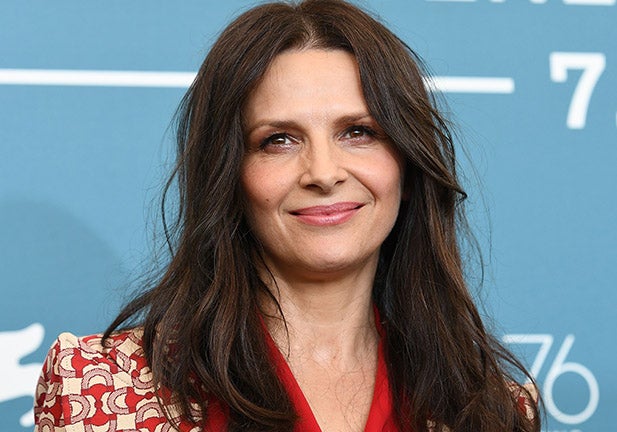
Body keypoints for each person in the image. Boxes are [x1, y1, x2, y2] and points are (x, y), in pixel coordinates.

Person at [34, 0, 540, 431]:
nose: (323, 171)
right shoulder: (100, 392)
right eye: (278, 140)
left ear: (406, 165)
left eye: (358, 132)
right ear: (228, 176)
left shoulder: (490, 408)